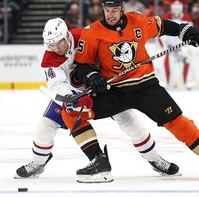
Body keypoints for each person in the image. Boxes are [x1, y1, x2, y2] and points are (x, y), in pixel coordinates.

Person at [68, 0, 199, 182]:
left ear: (122, 8)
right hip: (115, 91)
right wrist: (91, 75)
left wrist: (185, 31)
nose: (110, 14)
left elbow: (162, 25)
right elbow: (81, 66)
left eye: (115, 9)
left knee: (180, 123)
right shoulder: (92, 32)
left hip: (146, 87)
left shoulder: (137, 21)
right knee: (71, 111)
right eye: (107, 9)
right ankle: (98, 160)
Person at [14, 18, 179, 182]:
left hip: (103, 88)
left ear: (66, 35)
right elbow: (56, 85)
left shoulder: (85, 35)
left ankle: (155, 159)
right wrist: (72, 98)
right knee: (45, 126)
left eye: (58, 43)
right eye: (51, 45)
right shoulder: (50, 59)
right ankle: (38, 163)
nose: (55, 48)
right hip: (75, 94)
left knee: (129, 120)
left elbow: (108, 49)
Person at [160, 0, 197, 90]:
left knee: (186, 63)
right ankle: (166, 83)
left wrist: (187, 46)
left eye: (178, 9)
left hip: (182, 47)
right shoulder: (166, 16)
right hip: (170, 47)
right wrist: (165, 45)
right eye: (174, 9)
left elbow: (190, 33)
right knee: (167, 64)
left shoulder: (187, 17)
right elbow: (161, 32)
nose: (176, 11)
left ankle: (188, 83)